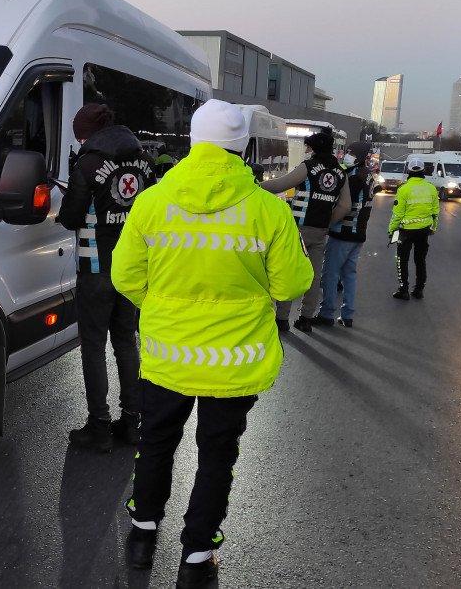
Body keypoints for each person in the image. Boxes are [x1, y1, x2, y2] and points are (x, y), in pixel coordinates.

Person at [111, 99, 313, 588]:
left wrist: (163, 305)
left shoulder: (153, 202)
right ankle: (197, 558)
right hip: (234, 361)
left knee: (156, 443)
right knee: (217, 455)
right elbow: (291, 285)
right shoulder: (268, 209)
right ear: (240, 148)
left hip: (166, 357)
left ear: (194, 143)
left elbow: (124, 276)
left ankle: (142, 536)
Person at [56, 103, 153, 451]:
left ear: (88, 132)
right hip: (132, 270)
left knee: (94, 348)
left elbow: (71, 217)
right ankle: (131, 424)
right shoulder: (144, 162)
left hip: (96, 268)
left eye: (80, 133)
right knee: (126, 342)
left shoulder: (88, 163)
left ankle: (98, 428)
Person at [259, 127, 350, 333]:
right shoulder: (340, 172)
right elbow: (345, 205)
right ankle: (306, 318)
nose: (307, 151)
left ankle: (282, 319)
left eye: (309, 147)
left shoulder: (308, 167)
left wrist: (254, 185)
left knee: (290, 270)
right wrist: (328, 224)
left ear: (315, 149)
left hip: (298, 229)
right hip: (320, 231)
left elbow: (280, 185)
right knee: (313, 275)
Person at [319, 141, 375, 327]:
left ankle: (326, 313)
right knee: (349, 274)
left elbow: (343, 205)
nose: (346, 156)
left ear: (358, 156)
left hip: (342, 232)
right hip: (358, 234)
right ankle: (347, 314)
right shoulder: (368, 176)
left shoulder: (353, 178)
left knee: (330, 274)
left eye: (350, 153)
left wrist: (326, 224)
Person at [388, 156, 439, 301]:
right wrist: (433, 228)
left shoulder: (403, 189)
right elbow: (435, 212)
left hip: (404, 231)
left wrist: (391, 231)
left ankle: (403, 290)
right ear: (423, 171)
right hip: (424, 231)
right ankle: (419, 290)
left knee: (401, 260)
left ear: (409, 171)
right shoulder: (431, 188)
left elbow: (397, 214)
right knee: (420, 260)